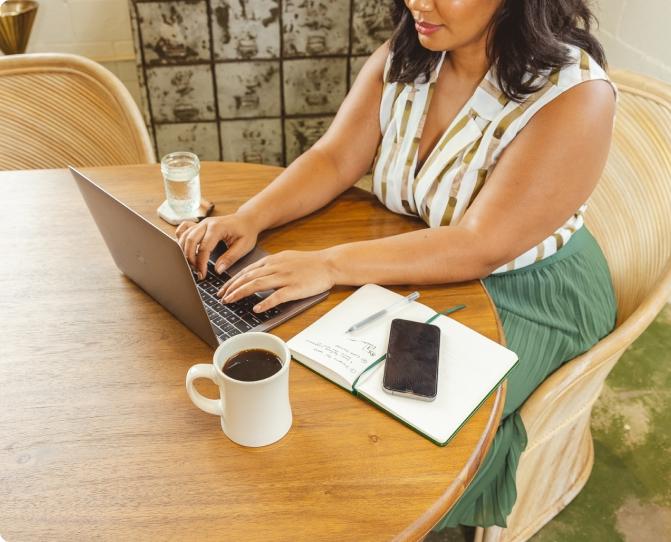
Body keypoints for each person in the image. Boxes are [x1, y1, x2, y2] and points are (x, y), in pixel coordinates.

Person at [176, 0, 617, 531]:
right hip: (416, 263)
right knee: (326, 389)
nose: (416, 2)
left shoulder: (576, 96)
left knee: (402, 445)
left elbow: (480, 244)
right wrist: (252, 217)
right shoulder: (414, 51)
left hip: (527, 292)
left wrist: (330, 264)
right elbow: (336, 157)